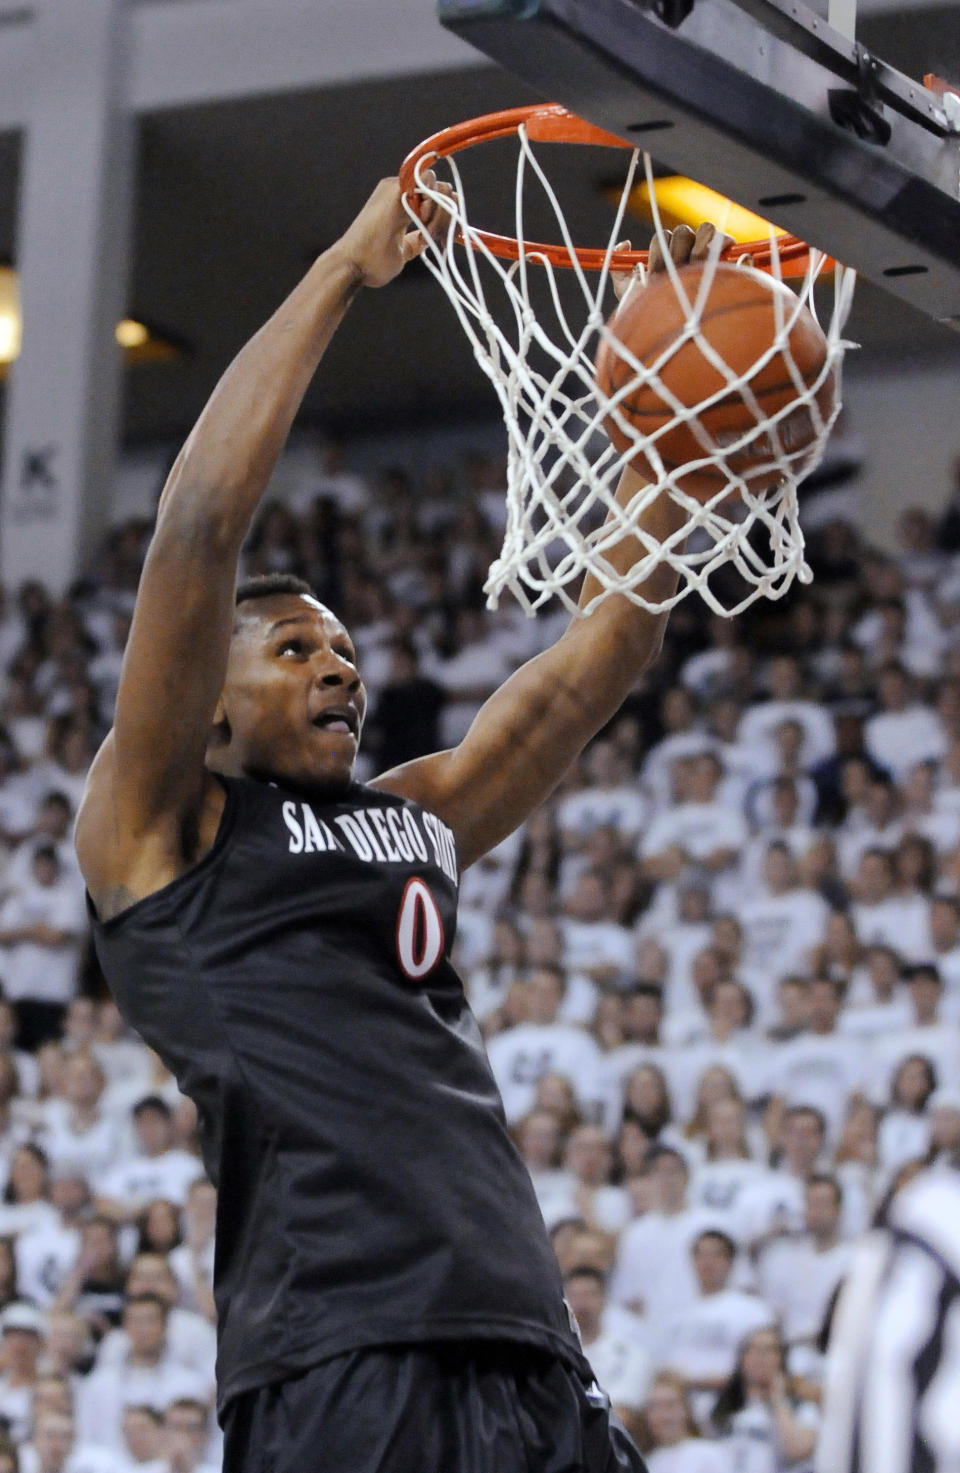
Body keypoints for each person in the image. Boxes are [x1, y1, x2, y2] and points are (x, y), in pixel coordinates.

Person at [74, 177, 730, 1470]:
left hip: (523, 1336)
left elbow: (572, 686)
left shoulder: (404, 814)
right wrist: (340, 270)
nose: (340, 666)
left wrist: (694, 461)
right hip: (342, 1347)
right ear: (201, 697)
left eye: (350, 647)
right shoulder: (166, 829)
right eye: (295, 645)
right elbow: (201, 525)